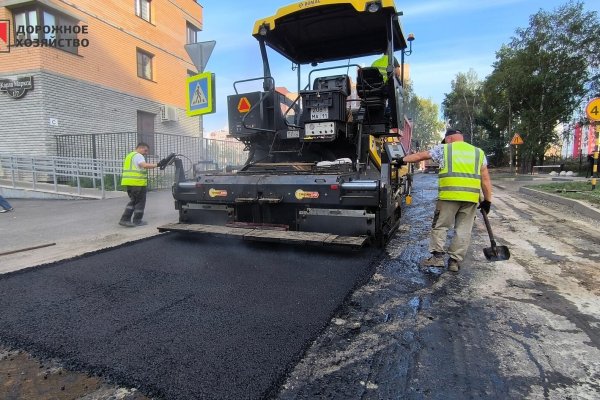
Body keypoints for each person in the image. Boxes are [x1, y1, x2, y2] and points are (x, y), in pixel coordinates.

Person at [395, 129, 493, 272]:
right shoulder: (478, 152)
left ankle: (437, 258)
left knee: (441, 225)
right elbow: (485, 179)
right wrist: (488, 201)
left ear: (449, 139)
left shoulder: (445, 149)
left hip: (449, 197)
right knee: (463, 230)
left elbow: (421, 156)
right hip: (471, 199)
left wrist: (401, 160)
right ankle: (454, 262)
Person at [119, 142, 160, 227]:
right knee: (138, 202)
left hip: (130, 183)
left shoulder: (130, 155)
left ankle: (133, 220)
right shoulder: (138, 155)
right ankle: (128, 220)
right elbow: (144, 165)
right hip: (137, 183)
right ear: (141, 148)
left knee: (134, 201)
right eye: (145, 150)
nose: (146, 153)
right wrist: (157, 165)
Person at [371, 54, 401, 130]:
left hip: (372, 90)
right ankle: (389, 112)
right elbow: (398, 73)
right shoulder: (392, 59)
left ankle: (378, 115)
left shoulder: (375, 62)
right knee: (395, 91)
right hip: (384, 87)